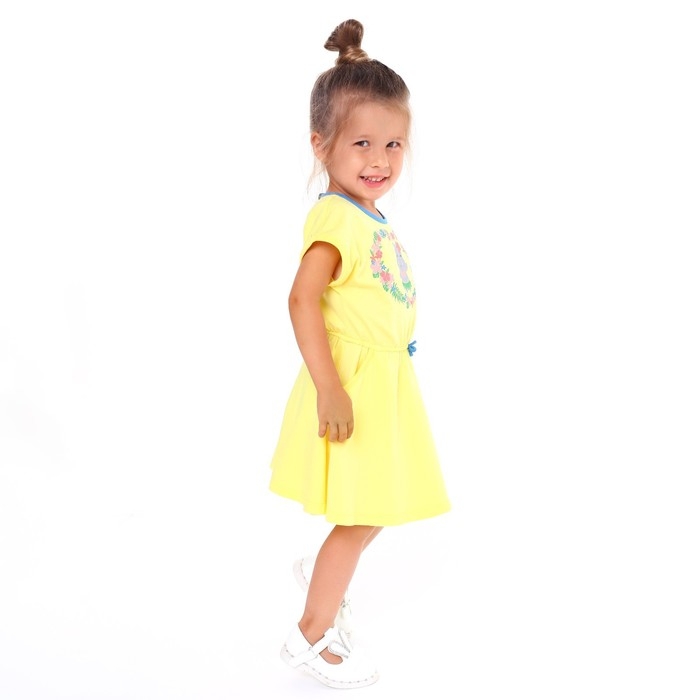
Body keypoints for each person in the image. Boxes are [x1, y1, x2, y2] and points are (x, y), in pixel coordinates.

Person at [269, 18, 451, 689]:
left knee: (378, 504)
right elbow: (301, 300)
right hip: (351, 386)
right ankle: (310, 635)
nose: (380, 159)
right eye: (362, 143)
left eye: (393, 143)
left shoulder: (367, 213)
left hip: (384, 383)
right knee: (363, 511)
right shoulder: (334, 217)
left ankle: (323, 576)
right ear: (321, 145)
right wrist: (330, 387)